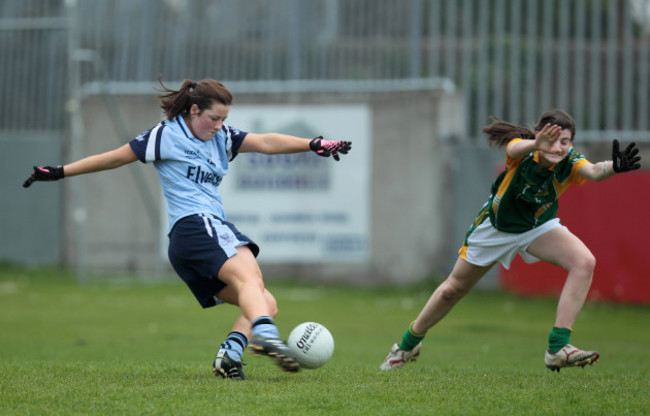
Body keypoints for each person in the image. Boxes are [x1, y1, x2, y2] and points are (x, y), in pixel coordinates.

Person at [23, 77, 352, 380]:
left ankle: (229, 357)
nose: (220, 126)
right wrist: (59, 172)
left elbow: (266, 141)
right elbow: (113, 158)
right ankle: (265, 336)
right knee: (250, 278)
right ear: (194, 110)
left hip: (187, 244)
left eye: (224, 119)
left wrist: (313, 144)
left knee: (265, 302)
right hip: (196, 226)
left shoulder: (221, 137)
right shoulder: (166, 135)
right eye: (214, 118)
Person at [379, 109, 641, 373]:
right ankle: (406, 346)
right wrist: (538, 144)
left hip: (536, 227)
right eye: (553, 139)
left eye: (565, 141)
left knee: (584, 262)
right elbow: (514, 149)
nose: (559, 147)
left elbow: (594, 171)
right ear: (539, 136)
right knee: (451, 290)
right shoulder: (524, 151)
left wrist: (614, 167)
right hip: (496, 228)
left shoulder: (569, 160)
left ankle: (558, 348)